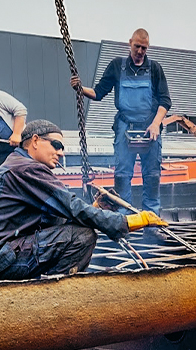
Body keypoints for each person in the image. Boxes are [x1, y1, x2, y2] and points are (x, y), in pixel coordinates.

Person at [0, 120, 167, 280]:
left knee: (72, 228)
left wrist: (96, 208)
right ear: (35, 141)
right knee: (82, 236)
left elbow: (57, 218)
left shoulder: (17, 165)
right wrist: (128, 221)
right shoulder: (26, 168)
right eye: (56, 146)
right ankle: (56, 294)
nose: (61, 152)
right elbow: (72, 206)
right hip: (1, 259)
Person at [70, 28, 171, 226]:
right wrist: (80, 89)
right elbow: (98, 93)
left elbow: (165, 100)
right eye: (137, 46)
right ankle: (125, 222)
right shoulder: (117, 66)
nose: (140, 51)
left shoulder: (155, 69)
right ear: (129, 43)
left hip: (150, 130)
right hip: (125, 129)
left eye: (144, 47)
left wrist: (156, 123)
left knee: (151, 177)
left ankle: (152, 224)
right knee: (123, 176)